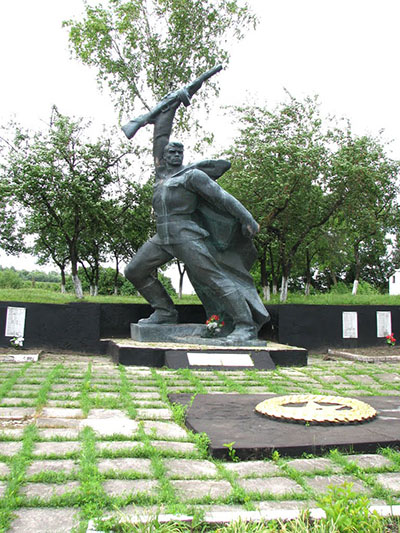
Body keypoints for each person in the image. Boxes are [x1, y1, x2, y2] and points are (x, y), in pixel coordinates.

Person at [124, 70, 269, 343]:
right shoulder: (161, 175)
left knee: (214, 278)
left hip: (186, 235)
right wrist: (173, 104)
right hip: (162, 238)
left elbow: (222, 198)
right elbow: (160, 134)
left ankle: (245, 326)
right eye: (170, 152)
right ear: (164, 156)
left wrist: (246, 218)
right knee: (135, 270)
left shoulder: (192, 176)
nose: (175, 154)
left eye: (179, 152)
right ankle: (165, 311)